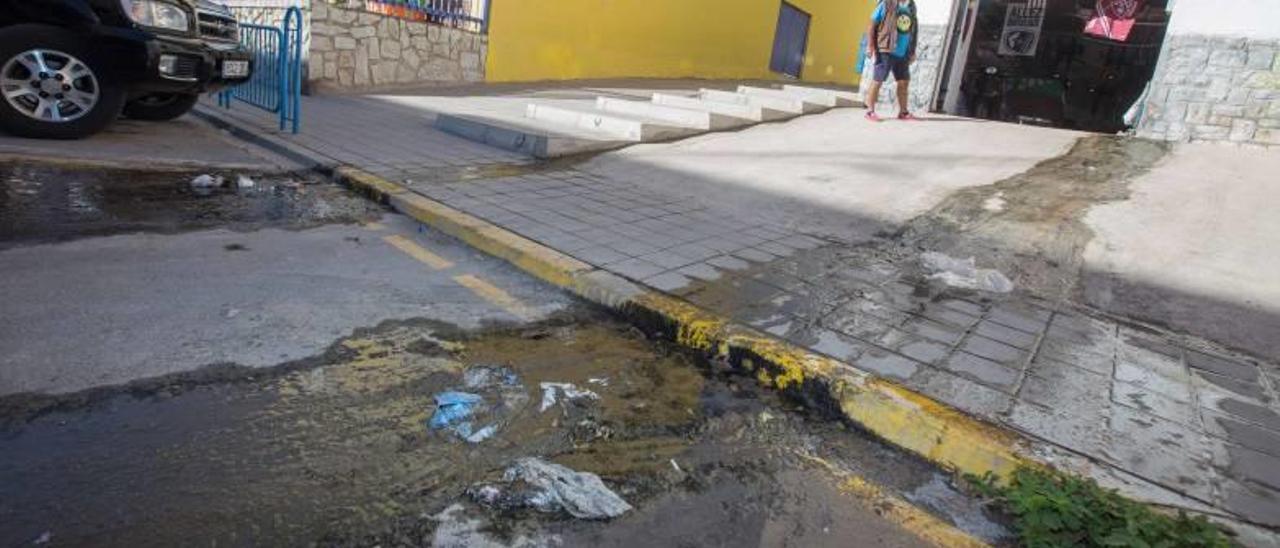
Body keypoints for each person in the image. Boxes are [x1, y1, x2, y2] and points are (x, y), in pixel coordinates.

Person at [865, 0, 919, 122]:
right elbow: (872, 24)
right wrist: (870, 46)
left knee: (903, 82)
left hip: (903, 52)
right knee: (878, 79)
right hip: (885, 48)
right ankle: (870, 111)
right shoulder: (886, 3)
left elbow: (914, 30)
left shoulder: (911, 6)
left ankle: (903, 113)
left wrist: (912, 50)